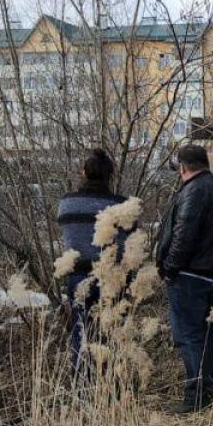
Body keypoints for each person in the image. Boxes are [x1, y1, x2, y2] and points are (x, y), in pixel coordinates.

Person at [155, 144, 213, 413]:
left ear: (182, 167)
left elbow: (184, 234)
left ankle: (196, 398)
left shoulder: (194, 190)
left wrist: (169, 268)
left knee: (189, 336)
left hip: (190, 276)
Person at [57, 148, 126, 374]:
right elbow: (126, 245)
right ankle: (108, 384)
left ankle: (81, 385)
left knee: (80, 333)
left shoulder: (67, 203)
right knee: (110, 334)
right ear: (110, 175)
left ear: (84, 172)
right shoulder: (120, 206)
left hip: (77, 277)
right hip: (111, 278)